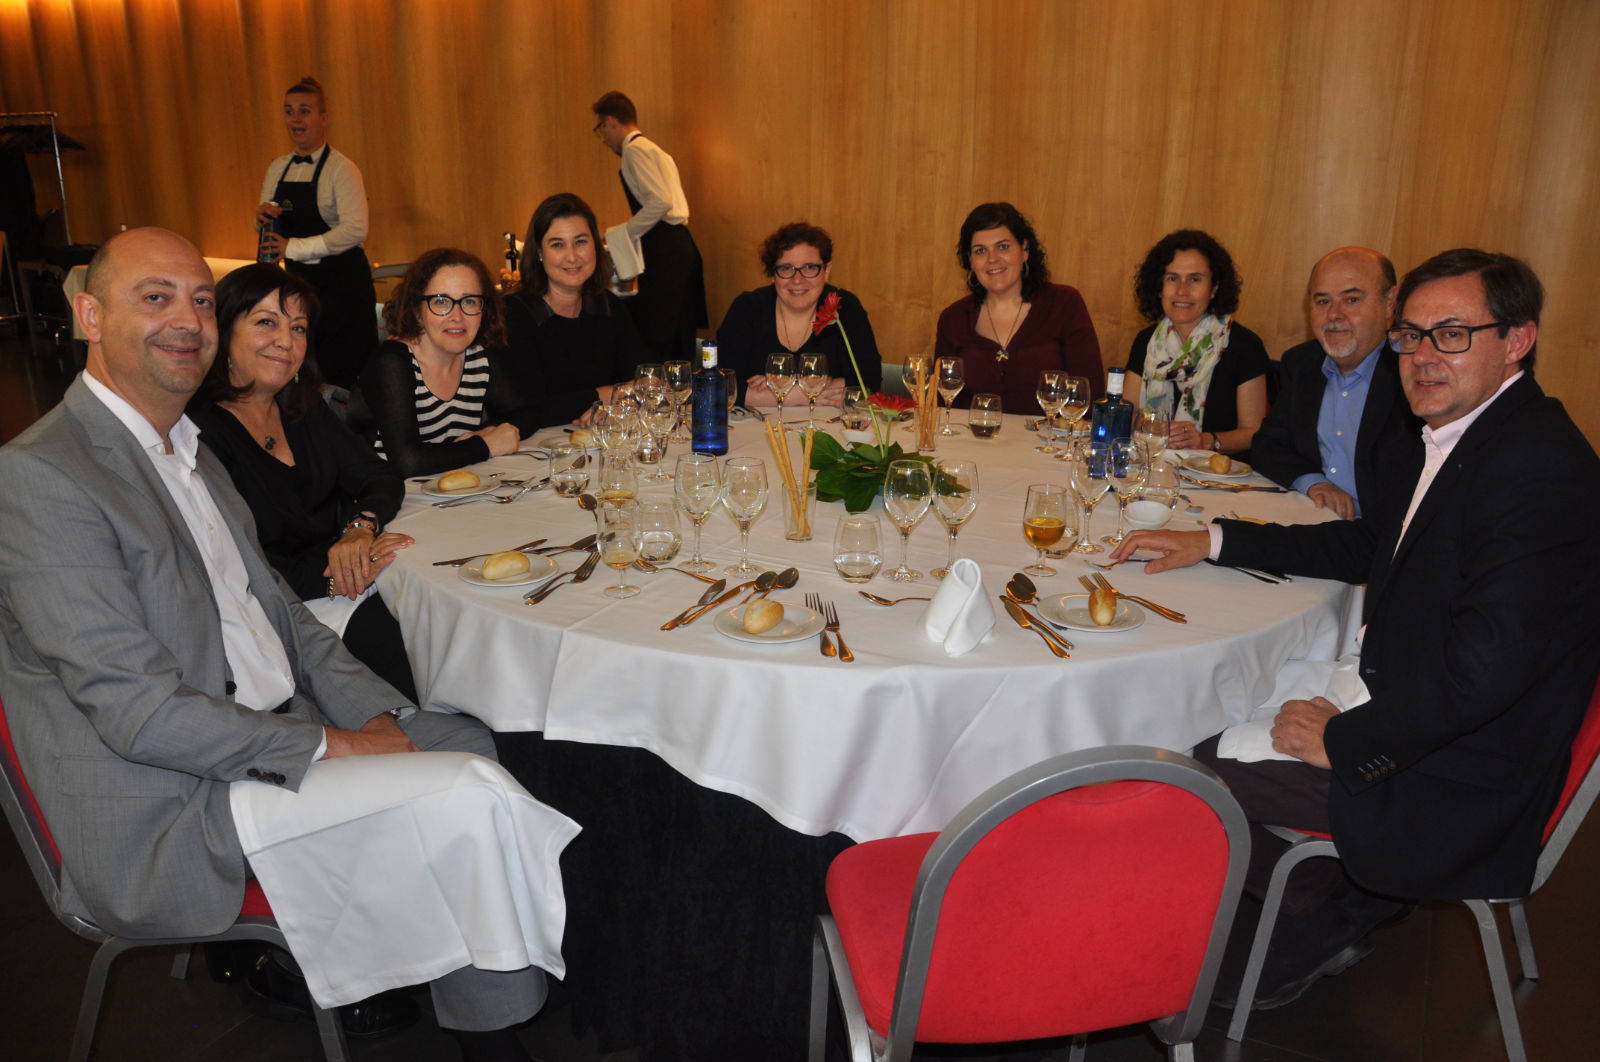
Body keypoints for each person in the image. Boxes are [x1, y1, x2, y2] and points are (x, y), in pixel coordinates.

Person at [0, 228, 582, 1062]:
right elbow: (139, 715)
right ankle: (495, 1041)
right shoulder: (43, 476)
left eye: (202, 300)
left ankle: (441, 977)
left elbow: (287, 619)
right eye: (155, 298)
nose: (188, 320)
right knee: (464, 793)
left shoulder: (187, 450)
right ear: (90, 316)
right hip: (176, 798)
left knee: (468, 738)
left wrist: (375, 716)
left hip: (269, 725)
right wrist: (335, 746)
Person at [1111, 248, 1600, 1010]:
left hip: (1461, 777)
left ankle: (1318, 909)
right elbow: (1366, 545)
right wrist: (1211, 540)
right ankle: (1332, 899)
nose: (1423, 356)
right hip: (1417, 703)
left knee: (1173, 764)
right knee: (1217, 709)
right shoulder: (1466, 434)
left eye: (1452, 334)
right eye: (1412, 336)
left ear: (1518, 340)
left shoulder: (1534, 468)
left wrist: (1343, 741)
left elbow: (1484, 675)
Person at [188, 263, 417, 702]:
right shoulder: (200, 433)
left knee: (432, 610)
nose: (285, 341)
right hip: (275, 616)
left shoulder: (301, 407)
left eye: (297, 328)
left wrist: (360, 528)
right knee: (411, 640)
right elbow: (239, 566)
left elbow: (379, 475)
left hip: (338, 588)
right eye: (266, 323)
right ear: (224, 331)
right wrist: (342, 572)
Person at [1250, 248, 1418, 518]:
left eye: (1351, 299)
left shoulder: (1414, 371)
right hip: (1309, 519)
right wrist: (1313, 482)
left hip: (1381, 533)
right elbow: (1268, 444)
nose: (1334, 314)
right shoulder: (1302, 363)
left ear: (1390, 302)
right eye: (1323, 301)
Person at [349, 248, 537, 478]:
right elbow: (407, 462)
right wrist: (484, 445)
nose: (457, 316)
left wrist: (487, 433)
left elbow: (526, 414)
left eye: (469, 301)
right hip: (390, 492)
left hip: (449, 484)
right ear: (416, 310)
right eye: (440, 301)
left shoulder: (478, 355)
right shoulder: (392, 363)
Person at [254, 76, 377, 390]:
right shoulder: (277, 167)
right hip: (300, 286)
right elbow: (268, 220)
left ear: (323, 118)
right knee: (305, 368)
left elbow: (355, 230)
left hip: (343, 288)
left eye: (304, 111)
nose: (295, 118)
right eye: (289, 111)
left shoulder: (342, 169)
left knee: (345, 372)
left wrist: (292, 248)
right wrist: (262, 218)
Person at [934, 201, 1102, 412]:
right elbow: (941, 404)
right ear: (970, 261)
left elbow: (1089, 395)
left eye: (1003, 247)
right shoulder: (953, 319)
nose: (992, 259)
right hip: (974, 433)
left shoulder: (1064, 304)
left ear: (1024, 250)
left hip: (1050, 434)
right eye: (980, 251)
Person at [503, 192, 645, 425]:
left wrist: (622, 404)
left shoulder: (606, 304)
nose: (572, 256)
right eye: (557, 245)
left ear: (595, 246)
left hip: (601, 438)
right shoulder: (515, 313)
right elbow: (530, 408)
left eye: (580, 242)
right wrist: (608, 394)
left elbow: (647, 380)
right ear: (539, 252)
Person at [1125, 229, 1269, 457]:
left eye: (1195, 279)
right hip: (1153, 464)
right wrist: (1150, 427)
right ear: (1159, 287)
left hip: (1217, 472)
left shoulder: (1244, 346)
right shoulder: (1146, 342)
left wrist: (1206, 441)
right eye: (1172, 278)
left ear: (1214, 289)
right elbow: (1127, 414)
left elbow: (1255, 432)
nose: (1182, 291)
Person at [591, 90, 708, 363]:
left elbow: (660, 202)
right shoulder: (658, 151)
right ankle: (681, 385)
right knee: (679, 330)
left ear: (610, 121)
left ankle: (656, 388)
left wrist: (624, 233)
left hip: (665, 249)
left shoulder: (634, 151)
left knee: (656, 331)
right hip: (681, 245)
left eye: (600, 130)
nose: (603, 139)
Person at [716, 221, 882, 407]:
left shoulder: (844, 307)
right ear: (773, 274)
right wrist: (811, 391)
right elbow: (722, 387)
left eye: (809, 267)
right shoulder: (747, 308)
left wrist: (778, 389)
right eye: (786, 268)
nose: (797, 279)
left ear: (826, 271)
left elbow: (868, 384)